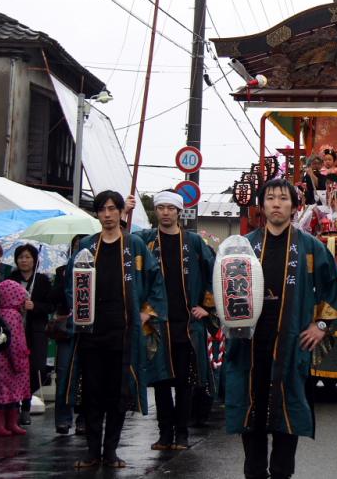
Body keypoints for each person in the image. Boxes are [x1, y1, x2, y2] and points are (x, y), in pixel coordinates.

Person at [224, 178, 337, 479]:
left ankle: (281, 474)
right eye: (270, 198)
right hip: (249, 344)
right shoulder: (245, 246)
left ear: (294, 206)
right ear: (262, 205)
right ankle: (254, 473)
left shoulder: (309, 246)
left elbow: (335, 287)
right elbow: (223, 290)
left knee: (287, 412)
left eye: (283, 198)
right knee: (251, 412)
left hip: (291, 344)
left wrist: (320, 325)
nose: (276, 204)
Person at [63, 190, 171, 469]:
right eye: (102, 210)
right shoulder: (87, 246)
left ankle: (110, 450)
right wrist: (76, 308)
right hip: (91, 332)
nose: (108, 214)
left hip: (123, 332)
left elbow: (156, 281)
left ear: (122, 212)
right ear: (97, 214)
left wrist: (147, 313)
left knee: (118, 392)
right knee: (92, 392)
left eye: (113, 209)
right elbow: (70, 285)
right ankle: (91, 451)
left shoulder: (134, 246)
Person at [131, 191, 217, 451]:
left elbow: (214, 271)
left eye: (171, 208)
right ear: (155, 211)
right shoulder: (145, 241)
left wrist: (206, 306)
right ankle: (164, 433)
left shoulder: (193, 242)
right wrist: (125, 212)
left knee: (184, 382)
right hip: (157, 324)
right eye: (161, 208)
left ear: (180, 212)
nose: (166, 212)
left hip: (187, 324)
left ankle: (182, 433)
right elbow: (122, 250)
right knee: (160, 381)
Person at [8, 244, 54, 426]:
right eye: (21, 257)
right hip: (16, 331)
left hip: (36, 332)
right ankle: (20, 408)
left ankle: (26, 400)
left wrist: (35, 306)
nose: (24, 260)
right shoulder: (11, 279)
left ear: (34, 260)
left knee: (37, 368)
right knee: (16, 369)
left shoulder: (42, 280)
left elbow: (50, 306)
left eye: (27, 257)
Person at [50, 234, 86, 435]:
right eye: (77, 246)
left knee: (86, 375)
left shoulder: (95, 269)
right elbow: (53, 297)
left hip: (89, 331)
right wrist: (64, 280)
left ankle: (83, 418)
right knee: (64, 373)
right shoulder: (63, 271)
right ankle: (63, 419)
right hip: (67, 331)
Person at [0, 279, 31, 437]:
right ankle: (7, 423)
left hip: (1, 359)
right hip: (13, 361)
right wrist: (19, 361)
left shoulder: (0, 312)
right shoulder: (13, 315)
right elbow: (15, 342)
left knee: (3, 393)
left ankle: (5, 423)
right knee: (10, 392)